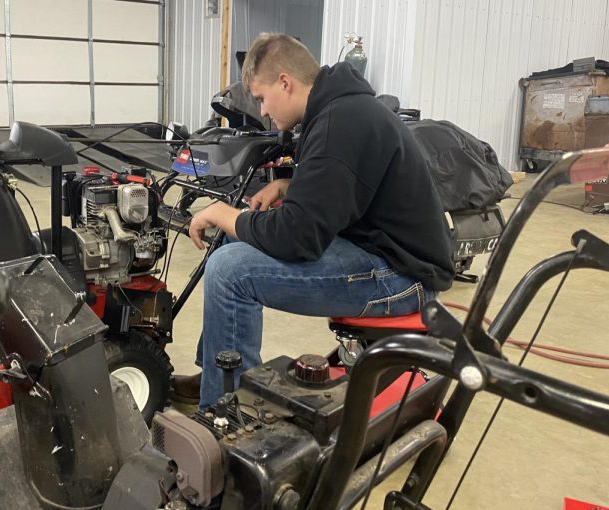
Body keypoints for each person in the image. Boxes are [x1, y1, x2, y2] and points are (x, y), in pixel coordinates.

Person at [172, 33, 454, 409]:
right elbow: (343, 185)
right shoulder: (339, 110)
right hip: (378, 248)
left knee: (229, 269)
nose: (264, 112)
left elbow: (299, 237)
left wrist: (224, 213)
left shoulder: (341, 122)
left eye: (261, 98)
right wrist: (292, 186)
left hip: (402, 276)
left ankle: (228, 413)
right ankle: (218, 373)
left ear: (285, 82)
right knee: (230, 242)